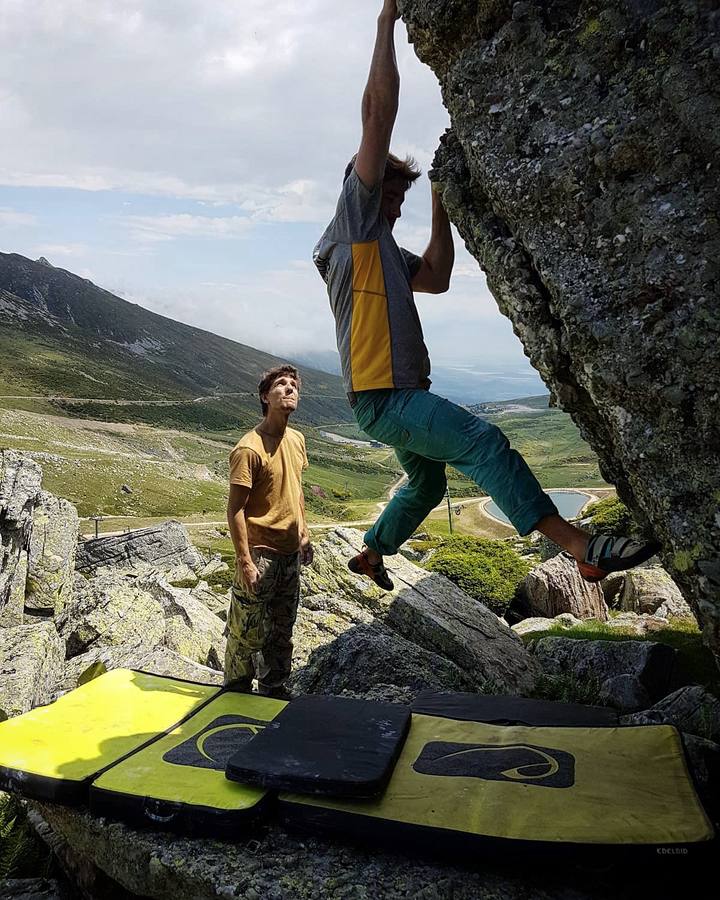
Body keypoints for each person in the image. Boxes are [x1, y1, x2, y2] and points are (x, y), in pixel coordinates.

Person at [313, 0, 658, 591]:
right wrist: (384, 22)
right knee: (482, 441)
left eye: (398, 200)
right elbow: (377, 116)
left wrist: (439, 203)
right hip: (386, 397)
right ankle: (581, 548)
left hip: (390, 396)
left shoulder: (382, 251)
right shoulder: (354, 222)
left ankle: (372, 552)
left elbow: (439, 277)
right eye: (390, 197)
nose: (393, 207)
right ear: (363, 188)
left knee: (428, 484)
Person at [224, 365, 313, 698]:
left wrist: (303, 533)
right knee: (246, 630)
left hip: (289, 556)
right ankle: (234, 691)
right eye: (281, 385)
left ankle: (274, 691)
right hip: (260, 556)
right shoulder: (249, 449)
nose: (289, 389)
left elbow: (296, 489)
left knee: (281, 630)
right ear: (265, 396)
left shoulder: (297, 439)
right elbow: (235, 509)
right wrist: (245, 561)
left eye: (293, 385)